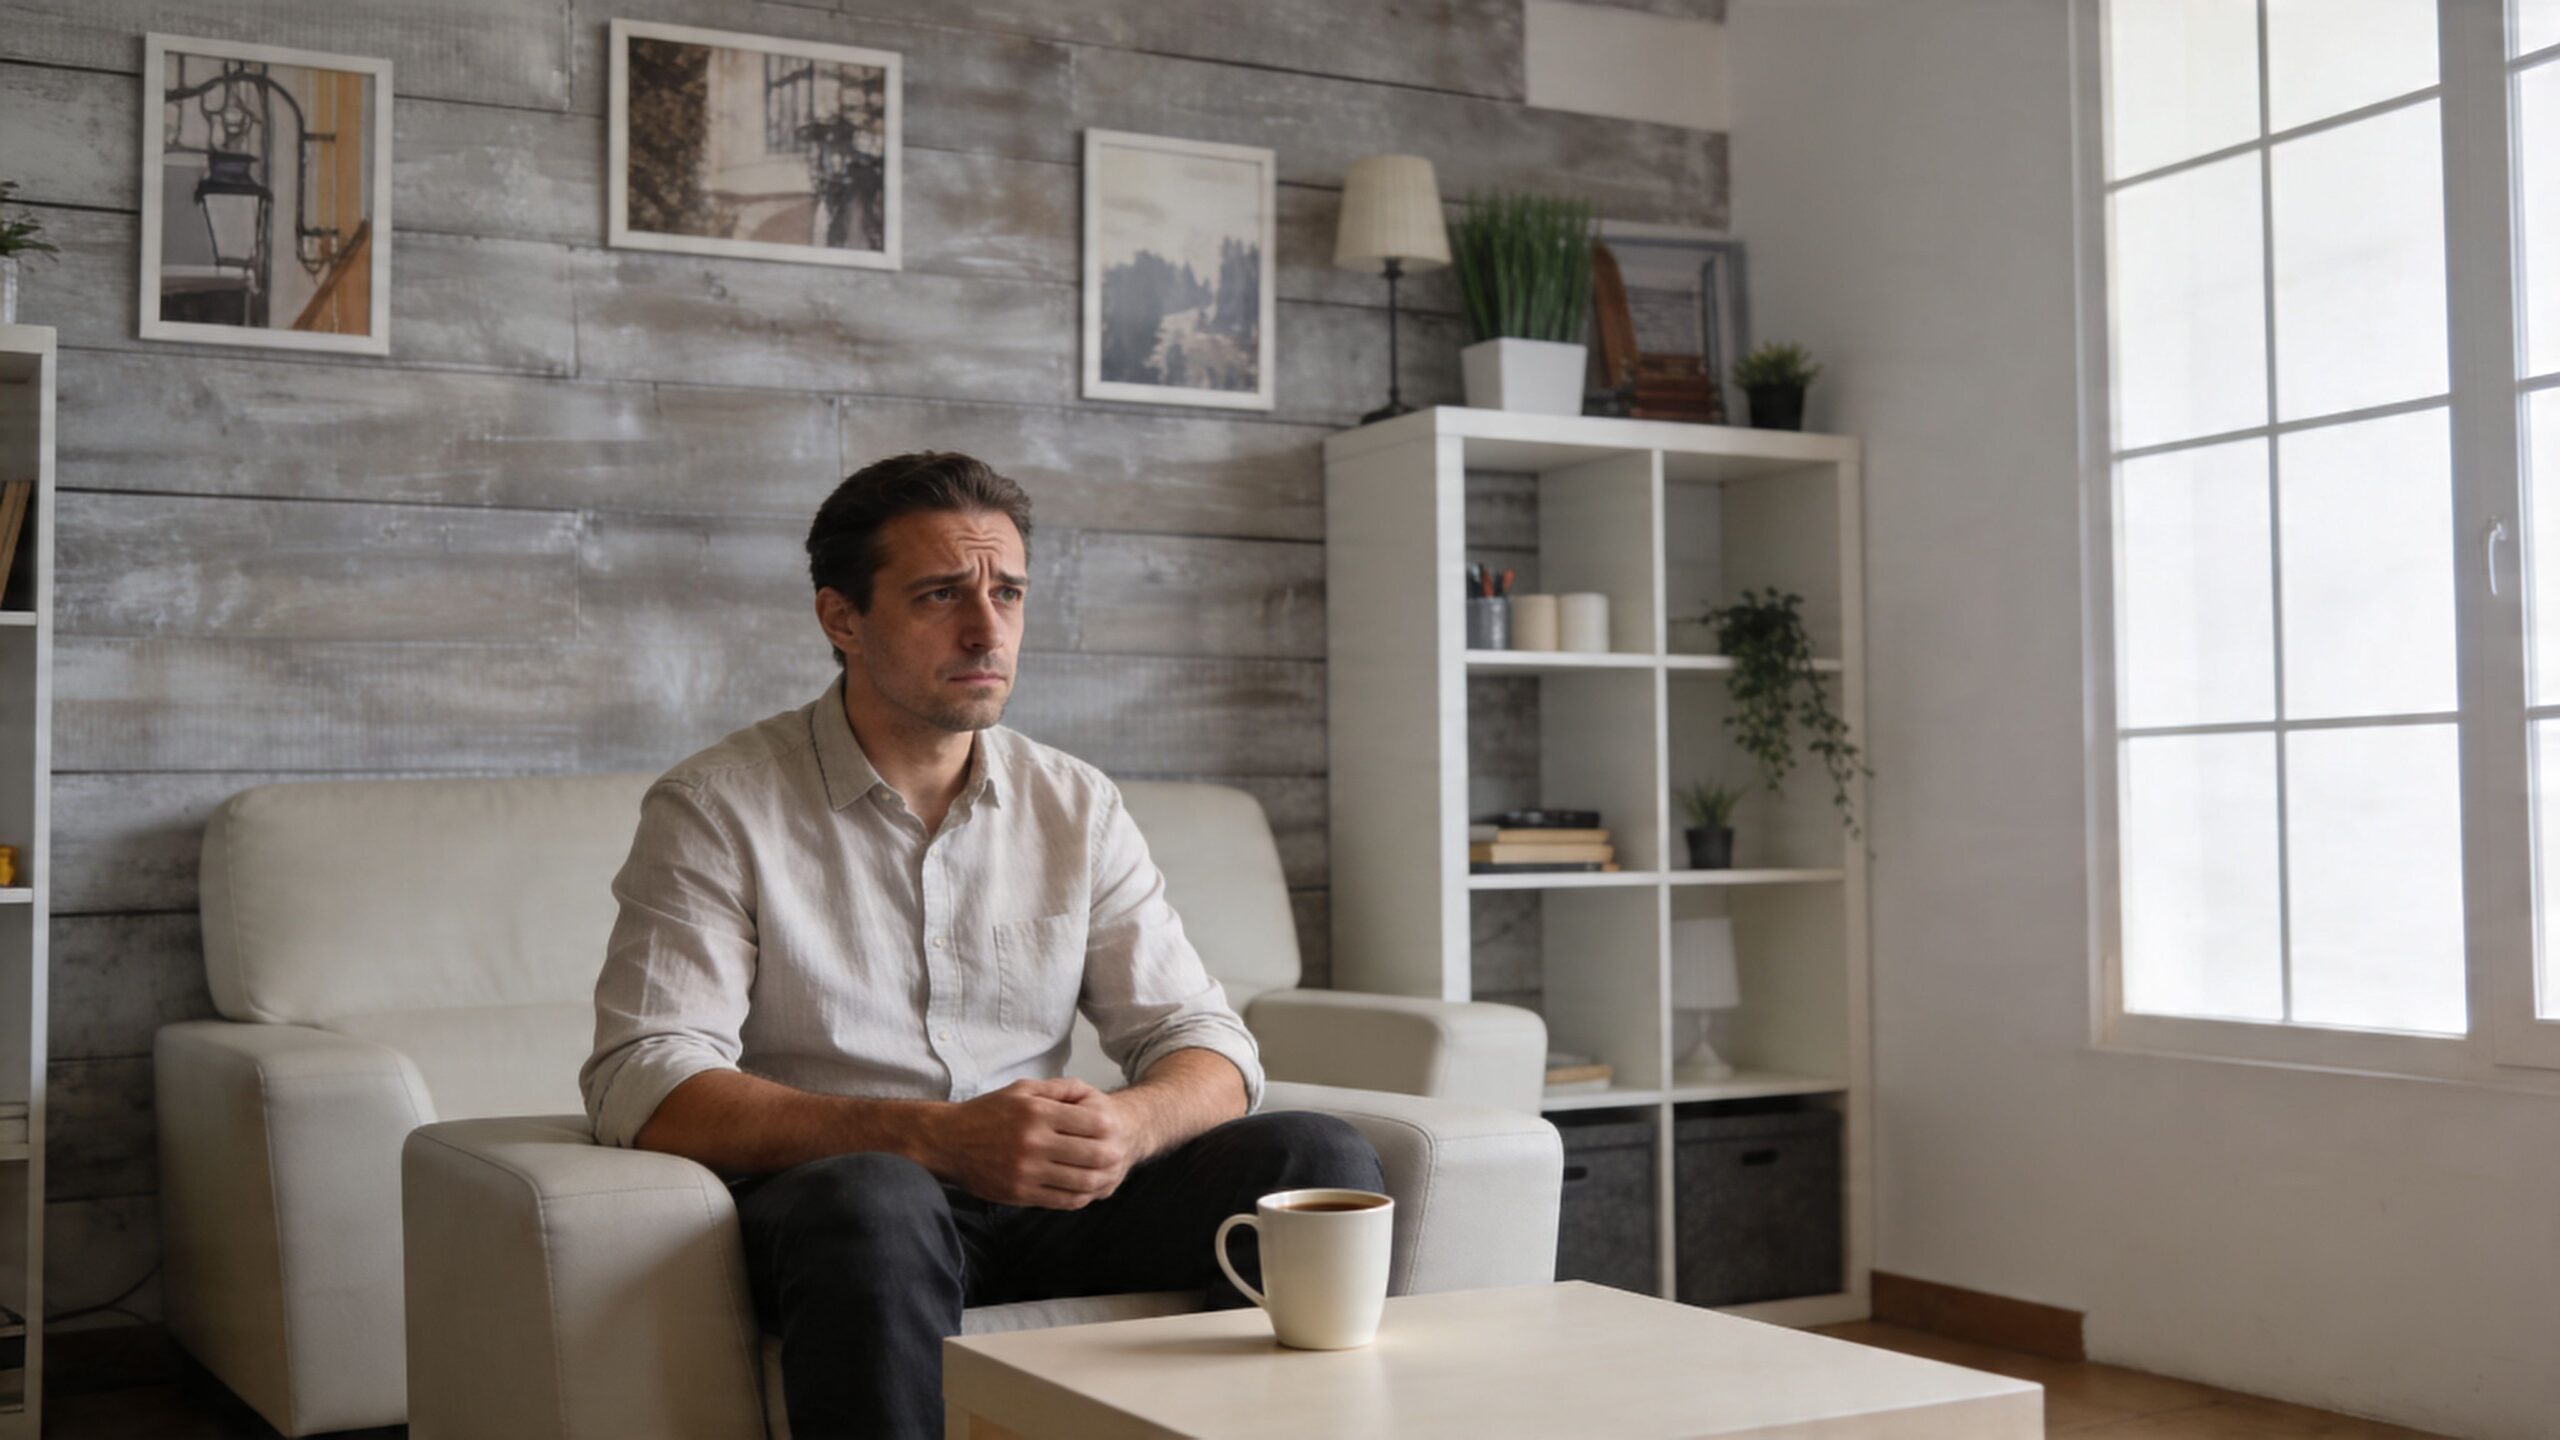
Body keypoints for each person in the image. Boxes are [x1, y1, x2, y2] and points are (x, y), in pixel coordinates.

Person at [579, 451, 1383, 1439]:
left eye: (1007, 592)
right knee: (875, 1199)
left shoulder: (1074, 803)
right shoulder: (717, 807)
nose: (987, 628)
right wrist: (931, 1137)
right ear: (842, 619)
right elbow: (646, 1080)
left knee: (1312, 1152)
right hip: (846, 1210)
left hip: (1048, 1204)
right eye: (939, 595)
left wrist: (1126, 1128)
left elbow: (1203, 1038)